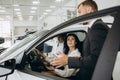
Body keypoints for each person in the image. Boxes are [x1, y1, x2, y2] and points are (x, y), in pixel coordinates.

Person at [50, 0, 109, 80]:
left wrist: (68, 60)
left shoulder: (98, 27)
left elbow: (97, 59)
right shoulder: (92, 28)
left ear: (89, 10)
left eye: (80, 12)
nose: (78, 16)